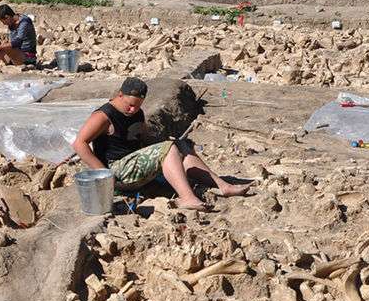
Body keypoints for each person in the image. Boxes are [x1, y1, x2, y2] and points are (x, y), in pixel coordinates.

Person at [73, 77, 250, 211]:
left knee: (178, 145)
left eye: (137, 105)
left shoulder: (137, 113)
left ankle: (222, 186)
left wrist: (174, 145)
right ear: (120, 95)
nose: (133, 109)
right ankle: (187, 197)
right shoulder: (103, 116)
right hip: (117, 170)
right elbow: (80, 143)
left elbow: (146, 138)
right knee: (168, 149)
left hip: (134, 164)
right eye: (130, 105)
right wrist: (103, 174)